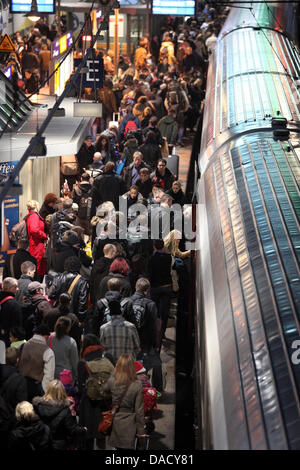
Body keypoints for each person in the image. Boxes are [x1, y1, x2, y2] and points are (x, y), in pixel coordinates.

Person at [77, 334, 114, 450]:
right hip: (105, 404)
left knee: (87, 440)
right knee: (102, 436)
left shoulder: (82, 362)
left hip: (87, 405)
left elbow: (80, 386)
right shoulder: (108, 357)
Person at [103, 354, 146, 450]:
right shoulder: (137, 384)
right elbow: (139, 411)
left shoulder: (112, 381)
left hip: (116, 420)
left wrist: (114, 372)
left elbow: (105, 390)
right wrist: (141, 431)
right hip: (130, 423)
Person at [33, 379, 87, 450]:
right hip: (59, 444)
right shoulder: (65, 409)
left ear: (48, 390)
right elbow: (71, 430)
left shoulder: (37, 406)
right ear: (62, 392)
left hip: (41, 443)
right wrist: (83, 429)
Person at [18, 324, 55, 402]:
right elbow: (49, 376)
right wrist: (44, 394)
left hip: (20, 385)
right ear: (46, 337)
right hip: (36, 389)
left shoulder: (22, 346)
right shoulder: (48, 351)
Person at [48, 256, 89, 325]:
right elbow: (82, 302)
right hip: (73, 316)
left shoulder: (58, 278)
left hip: (59, 313)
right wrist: (81, 319)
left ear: (65, 265)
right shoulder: (82, 281)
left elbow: (51, 295)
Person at [99, 297, 140, 363]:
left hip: (111, 366)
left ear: (109, 313)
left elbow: (102, 348)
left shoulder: (103, 328)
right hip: (127, 365)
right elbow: (137, 347)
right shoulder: (131, 327)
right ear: (121, 312)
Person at [148, 239, 172, 340]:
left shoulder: (152, 258)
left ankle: (156, 331)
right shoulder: (168, 257)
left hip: (155, 287)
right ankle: (163, 331)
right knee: (165, 311)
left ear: (154, 246)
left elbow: (150, 273)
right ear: (163, 246)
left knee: (156, 310)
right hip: (167, 286)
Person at [130, 278, 158, 354]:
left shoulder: (127, 301)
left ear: (136, 287)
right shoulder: (151, 304)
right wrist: (155, 343)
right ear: (147, 290)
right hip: (144, 341)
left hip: (129, 340)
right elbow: (153, 326)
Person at [47, 316, 78, 383]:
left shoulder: (49, 337)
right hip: (65, 376)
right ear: (68, 328)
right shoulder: (71, 342)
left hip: (50, 374)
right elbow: (74, 362)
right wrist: (76, 377)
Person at [25, 200, 47, 279]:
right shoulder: (34, 216)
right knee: (37, 269)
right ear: (36, 206)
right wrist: (44, 235)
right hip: (37, 246)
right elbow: (34, 230)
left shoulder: (31, 215)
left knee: (37, 268)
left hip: (36, 245)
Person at [0, 277, 23, 347]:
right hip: (9, 342)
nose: (18, 289)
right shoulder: (14, 304)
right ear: (10, 288)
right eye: (16, 287)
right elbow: (17, 326)